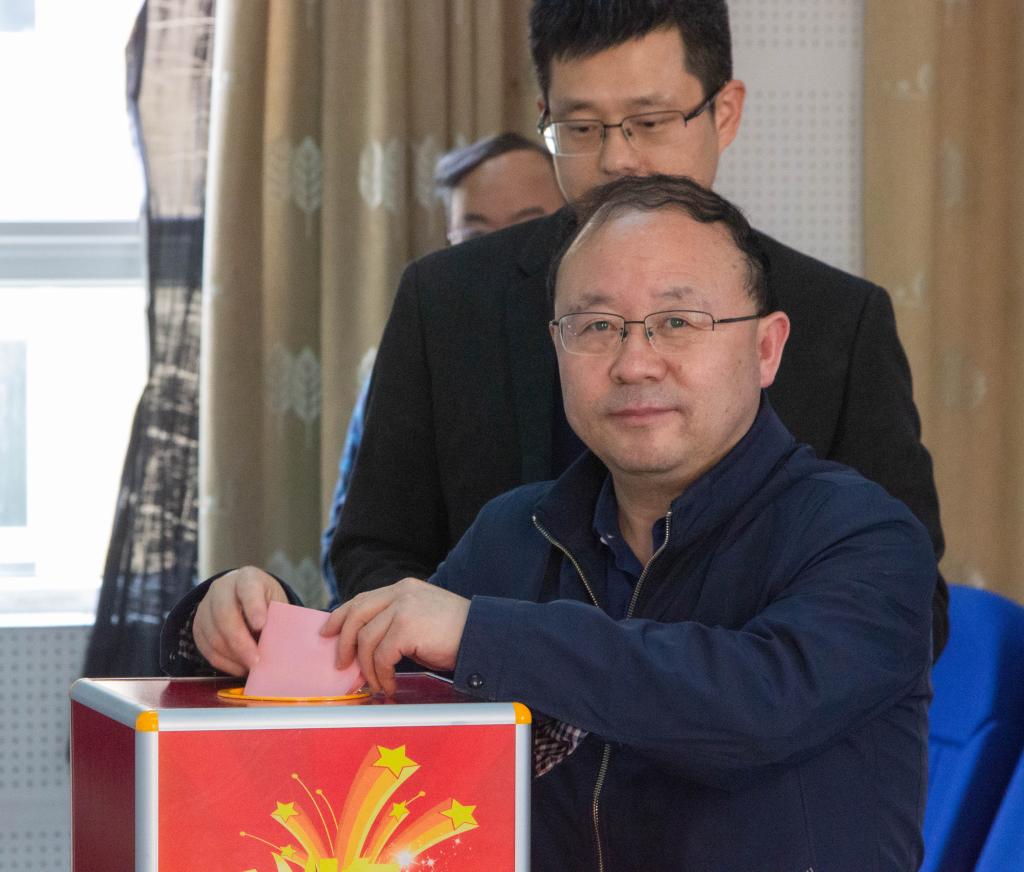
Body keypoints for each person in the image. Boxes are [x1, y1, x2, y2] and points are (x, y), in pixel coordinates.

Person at [163, 176, 936, 870]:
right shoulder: (518, 531)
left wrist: (481, 636)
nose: (634, 362)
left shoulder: (864, 537)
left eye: (677, 321)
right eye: (596, 327)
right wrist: (232, 627)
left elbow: (755, 702)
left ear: (766, 348)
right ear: (557, 350)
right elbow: (370, 695)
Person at [329, 0, 949, 656]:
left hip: (735, 709)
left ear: (725, 112)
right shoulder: (446, 298)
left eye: (650, 122)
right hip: (483, 706)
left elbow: (907, 604)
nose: (618, 159)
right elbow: (376, 550)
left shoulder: (838, 318)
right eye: (581, 127)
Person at [319, 132, 564, 602]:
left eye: (528, 229)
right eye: (474, 238)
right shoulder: (426, 345)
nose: (501, 256)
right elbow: (358, 540)